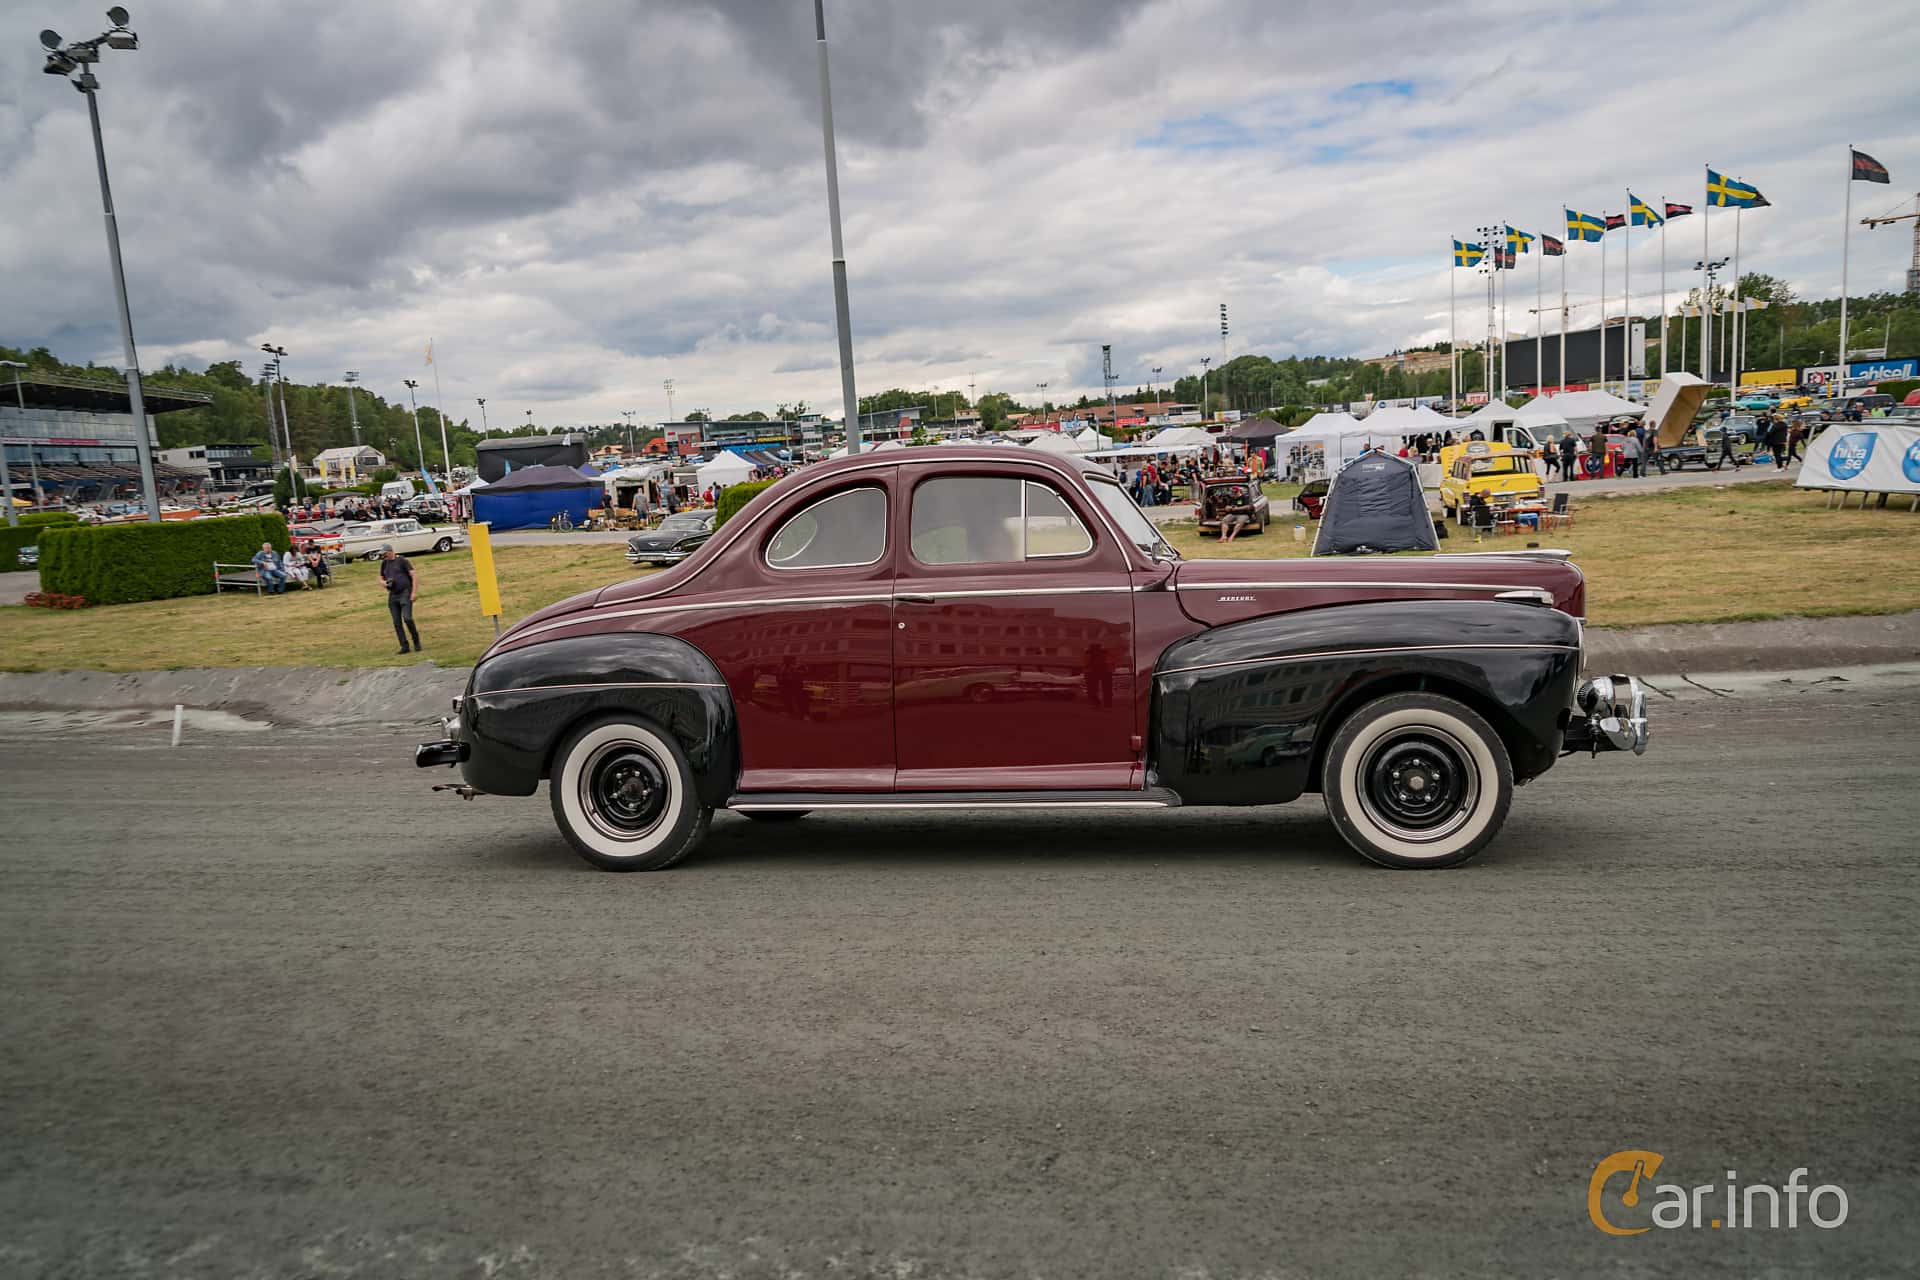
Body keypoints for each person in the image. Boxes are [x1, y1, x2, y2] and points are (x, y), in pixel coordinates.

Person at [380, 544, 422, 654]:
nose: (384, 556)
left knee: (407, 618)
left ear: (390, 551)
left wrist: (413, 592)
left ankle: (416, 641)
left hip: (405, 592)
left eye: (385, 554)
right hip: (393, 595)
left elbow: (414, 576)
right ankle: (404, 646)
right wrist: (384, 583)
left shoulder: (402, 561)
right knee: (396, 622)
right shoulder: (384, 563)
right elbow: (381, 578)